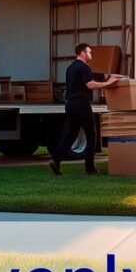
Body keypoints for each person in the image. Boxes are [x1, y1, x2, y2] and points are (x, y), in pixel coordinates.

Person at [49, 43, 122, 175]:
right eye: (89, 52)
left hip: (70, 104)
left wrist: (109, 76)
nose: (91, 54)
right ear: (82, 53)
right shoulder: (84, 67)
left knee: (71, 134)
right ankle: (90, 168)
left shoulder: (71, 67)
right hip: (81, 104)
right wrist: (108, 83)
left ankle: (55, 159)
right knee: (91, 134)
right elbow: (90, 84)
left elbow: (90, 77)